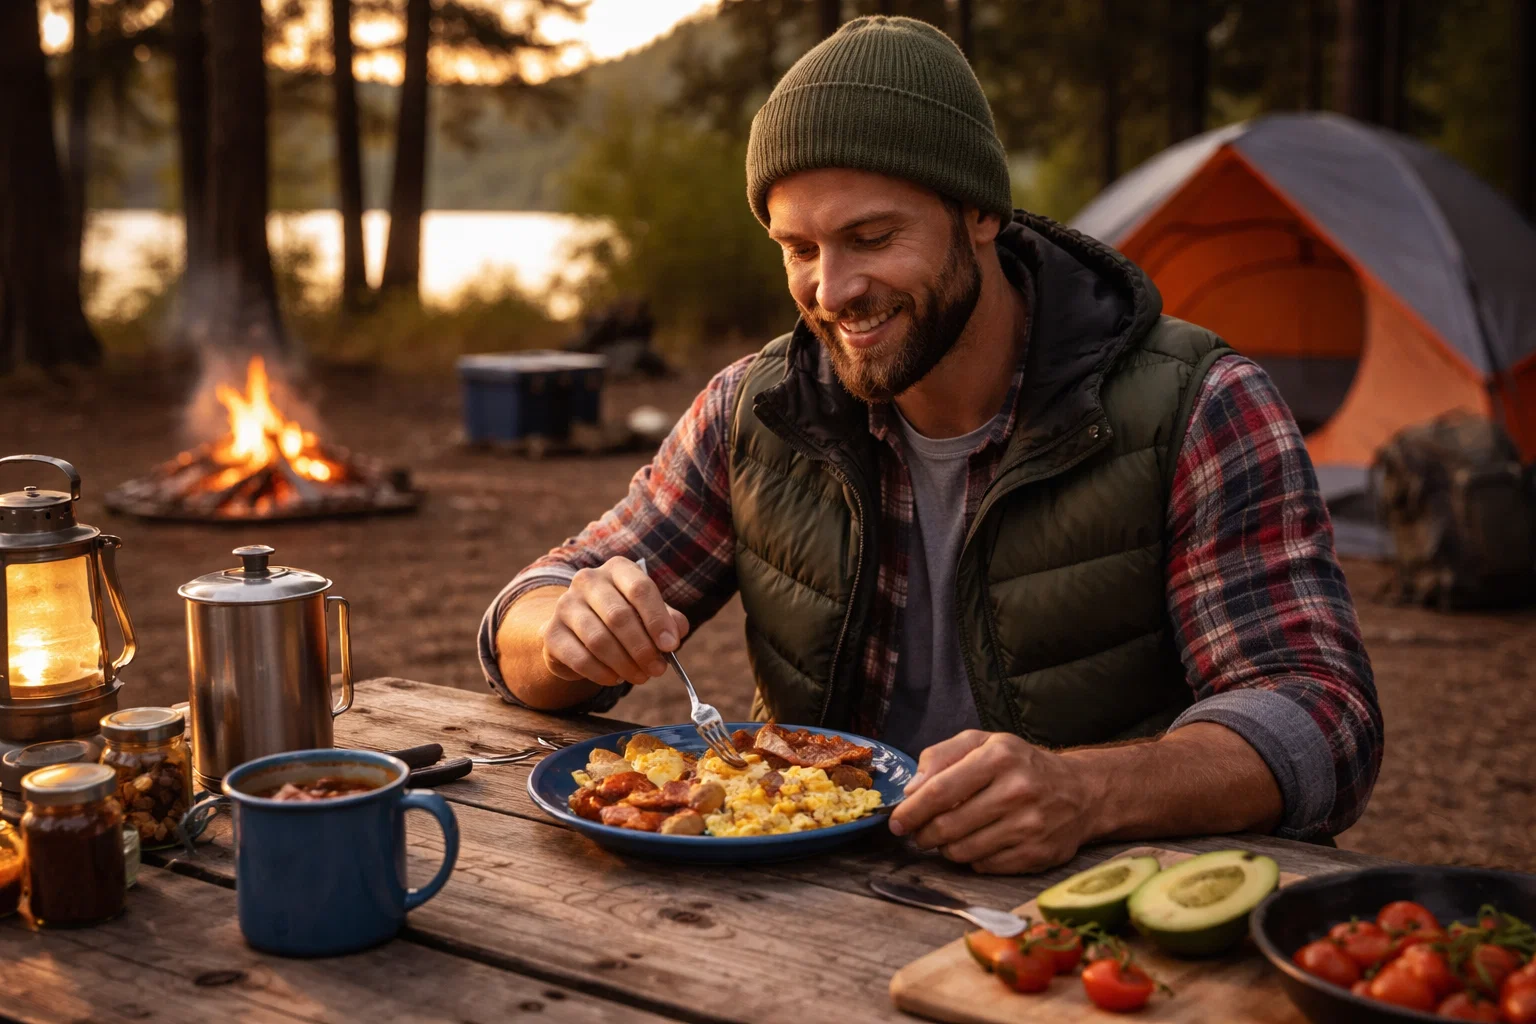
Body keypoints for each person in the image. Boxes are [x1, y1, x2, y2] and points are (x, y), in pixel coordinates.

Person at [479, 16, 1382, 874]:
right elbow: (521, 614)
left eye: (872, 237)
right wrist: (564, 632)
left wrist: (1088, 789)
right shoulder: (758, 409)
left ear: (981, 215)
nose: (832, 290)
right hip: (813, 909)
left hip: (1095, 917)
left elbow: (1321, 716)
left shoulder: (1200, 406)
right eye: (799, 248)